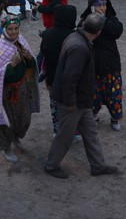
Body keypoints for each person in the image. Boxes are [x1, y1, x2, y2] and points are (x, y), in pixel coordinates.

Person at [44, 13, 118, 179]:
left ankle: (98, 165)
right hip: (72, 102)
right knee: (65, 136)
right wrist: (70, 103)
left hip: (81, 101)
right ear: (98, 32)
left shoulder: (76, 38)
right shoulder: (79, 47)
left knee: (90, 133)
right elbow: (69, 78)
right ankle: (51, 165)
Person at [0, 13, 40, 163]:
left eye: (16, 28)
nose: (14, 32)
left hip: (21, 88)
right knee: (4, 121)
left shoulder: (20, 40)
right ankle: (5, 147)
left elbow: (31, 65)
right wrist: (11, 65)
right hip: (4, 92)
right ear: (4, 29)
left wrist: (28, 58)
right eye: (10, 29)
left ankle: (15, 137)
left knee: (23, 118)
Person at [80, 0, 125, 131]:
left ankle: (115, 117)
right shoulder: (85, 19)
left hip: (110, 63)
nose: (102, 8)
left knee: (114, 94)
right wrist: (93, 20)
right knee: (93, 94)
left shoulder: (111, 19)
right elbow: (80, 32)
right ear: (92, 6)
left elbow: (117, 31)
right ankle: (94, 116)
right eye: (99, 5)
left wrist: (103, 20)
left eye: (104, 4)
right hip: (93, 65)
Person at [39, 4, 78, 135]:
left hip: (52, 77)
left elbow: (43, 54)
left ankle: (58, 130)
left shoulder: (48, 34)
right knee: (73, 105)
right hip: (73, 79)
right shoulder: (75, 36)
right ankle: (74, 131)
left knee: (55, 105)